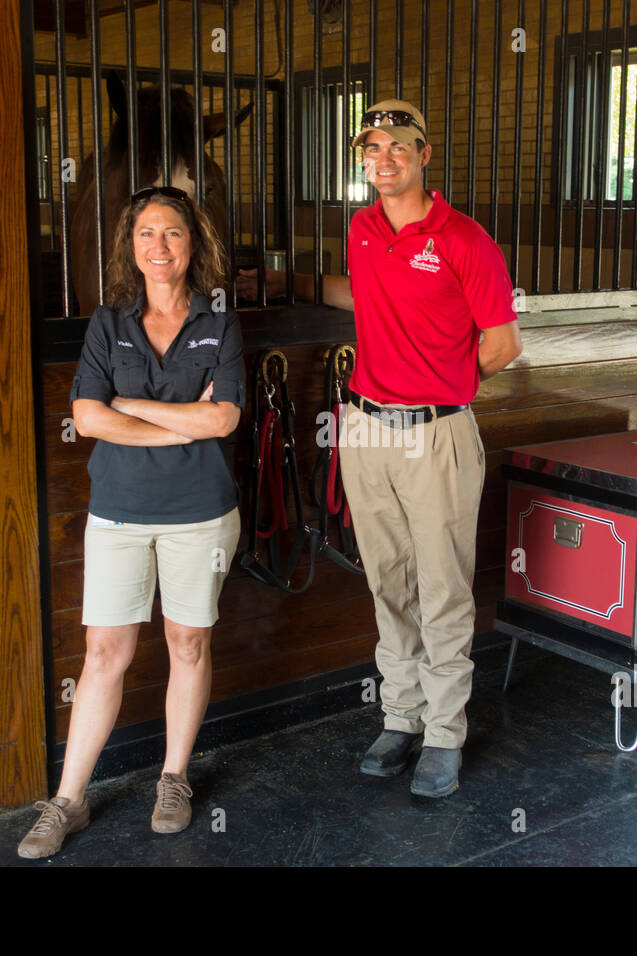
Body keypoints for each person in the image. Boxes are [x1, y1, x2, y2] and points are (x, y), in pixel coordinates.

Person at [241, 100, 521, 797]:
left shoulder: (464, 239)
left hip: (437, 433)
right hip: (364, 428)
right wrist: (289, 284)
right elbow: (362, 294)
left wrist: (444, 386)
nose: (384, 158)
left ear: (425, 155)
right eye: (372, 149)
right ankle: (401, 716)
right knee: (388, 581)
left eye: (399, 146)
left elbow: (505, 341)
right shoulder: (364, 231)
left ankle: (446, 734)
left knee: (442, 587)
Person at [18, 186, 245, 858]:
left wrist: (131, 409)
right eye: (147, 234)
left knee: (188, 644)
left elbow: (225, 418)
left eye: (173, 233)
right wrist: (182, 427)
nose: (160, 247)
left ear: (193, 243)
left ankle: (173, 778)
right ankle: (68, 800)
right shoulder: (108, 321)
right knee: (104, 653)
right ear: (131, 247)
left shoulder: (220, 322)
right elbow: (88, 419)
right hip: (117, 511)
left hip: (201, 513)